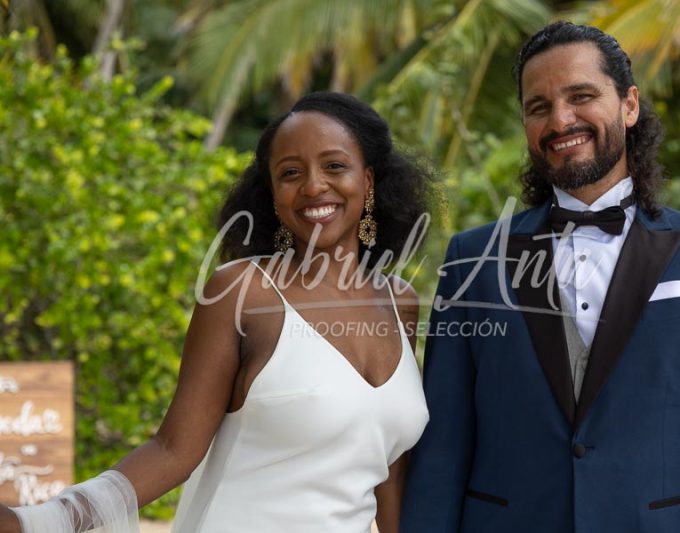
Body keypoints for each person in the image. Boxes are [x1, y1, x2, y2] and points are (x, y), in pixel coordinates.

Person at [1, 91, 433, 533]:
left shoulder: (399, 302)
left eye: (334, 166)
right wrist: (39, 522)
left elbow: (390, 476)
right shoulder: (242, 291)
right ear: (272, 194)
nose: (313, 186)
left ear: (370, 180)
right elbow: (172, 451)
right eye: (290, 173)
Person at [400, 21, 680, 533]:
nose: (560, 119)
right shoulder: (471, 260)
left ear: (629, 105)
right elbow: (443, 443)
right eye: (538, 106)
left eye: (581, 96)